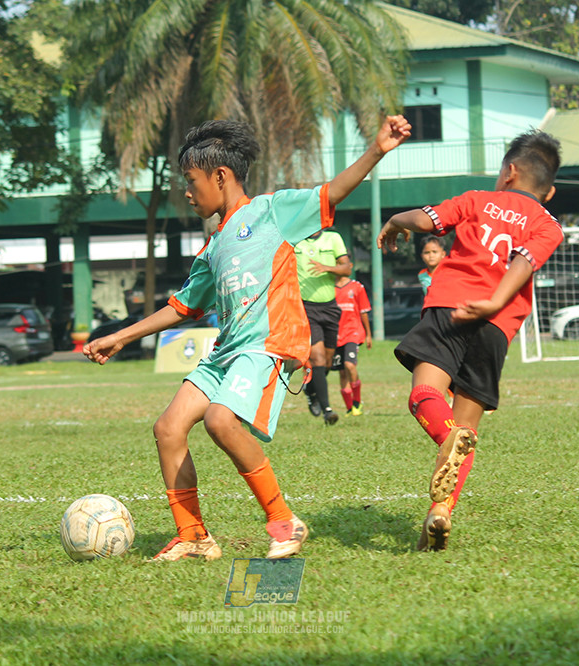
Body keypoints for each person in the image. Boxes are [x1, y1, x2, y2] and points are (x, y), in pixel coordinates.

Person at [84, 116, 411, 562]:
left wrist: (377, 149)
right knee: (168, 428)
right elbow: (182, 306)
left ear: (220, 177)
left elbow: (330, 193)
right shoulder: (214, 246)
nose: (187, 190)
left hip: (267, 346)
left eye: (191, 180)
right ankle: (194, 536)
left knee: (221, 420)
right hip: (226, 353)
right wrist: (120, 336)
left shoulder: (272, 211)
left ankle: (283, 523)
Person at [376, 129, 564, 552]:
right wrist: (496, 300)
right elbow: (526, 260)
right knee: (467, 429)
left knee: (425, 394)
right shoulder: (548, 224)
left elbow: (427, 220)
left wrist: (395, 221)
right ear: (549, 191)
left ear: (509, 171)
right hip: (497, 327)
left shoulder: (477, 199)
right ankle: (439, 513)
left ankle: (446, 437)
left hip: (450, 308)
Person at [295, 228, 352, 425]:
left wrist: (327, 268)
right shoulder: (295, 240)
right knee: (317, 358)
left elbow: (347, 268)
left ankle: (310, 390)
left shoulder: (333, 238)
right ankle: (328, 410)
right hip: (306, 307)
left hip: (330, 307)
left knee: (327, 362)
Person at [333, 275, 372, 416]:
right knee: (342, 371)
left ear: (350, 266)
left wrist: (368, 334)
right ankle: (350, 408)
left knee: (350, 365)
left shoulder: (357, 287)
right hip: (336, 334)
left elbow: (364, 311)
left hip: (353, 332)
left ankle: (357, 402)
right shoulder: (329, 287)